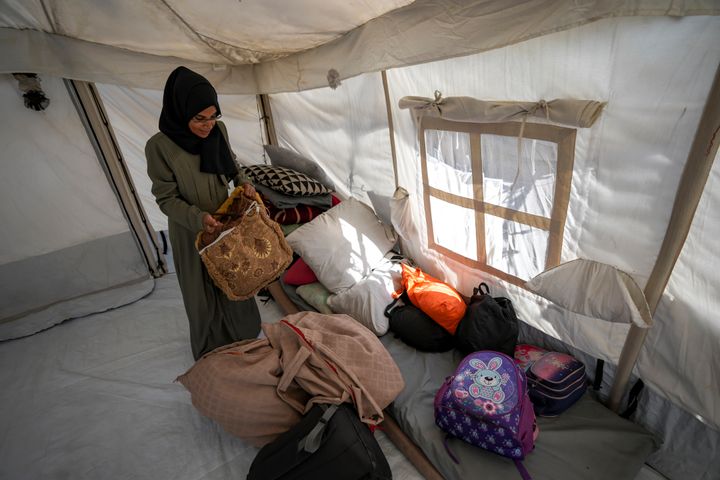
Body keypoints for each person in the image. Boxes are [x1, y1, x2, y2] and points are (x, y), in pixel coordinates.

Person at [146, 66, 261, 360]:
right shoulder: (159, 147)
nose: (208, 125)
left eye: (213, 117)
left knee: (234, 278)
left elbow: (234, 166)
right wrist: (199, 219)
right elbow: (166, 198)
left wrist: (245, 185)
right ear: (180, 111)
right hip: (190, 231)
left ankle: (244, 336)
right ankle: (212, 349)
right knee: (202, 293)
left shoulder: (218, 131)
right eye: (199, 119)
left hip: (225, 222)